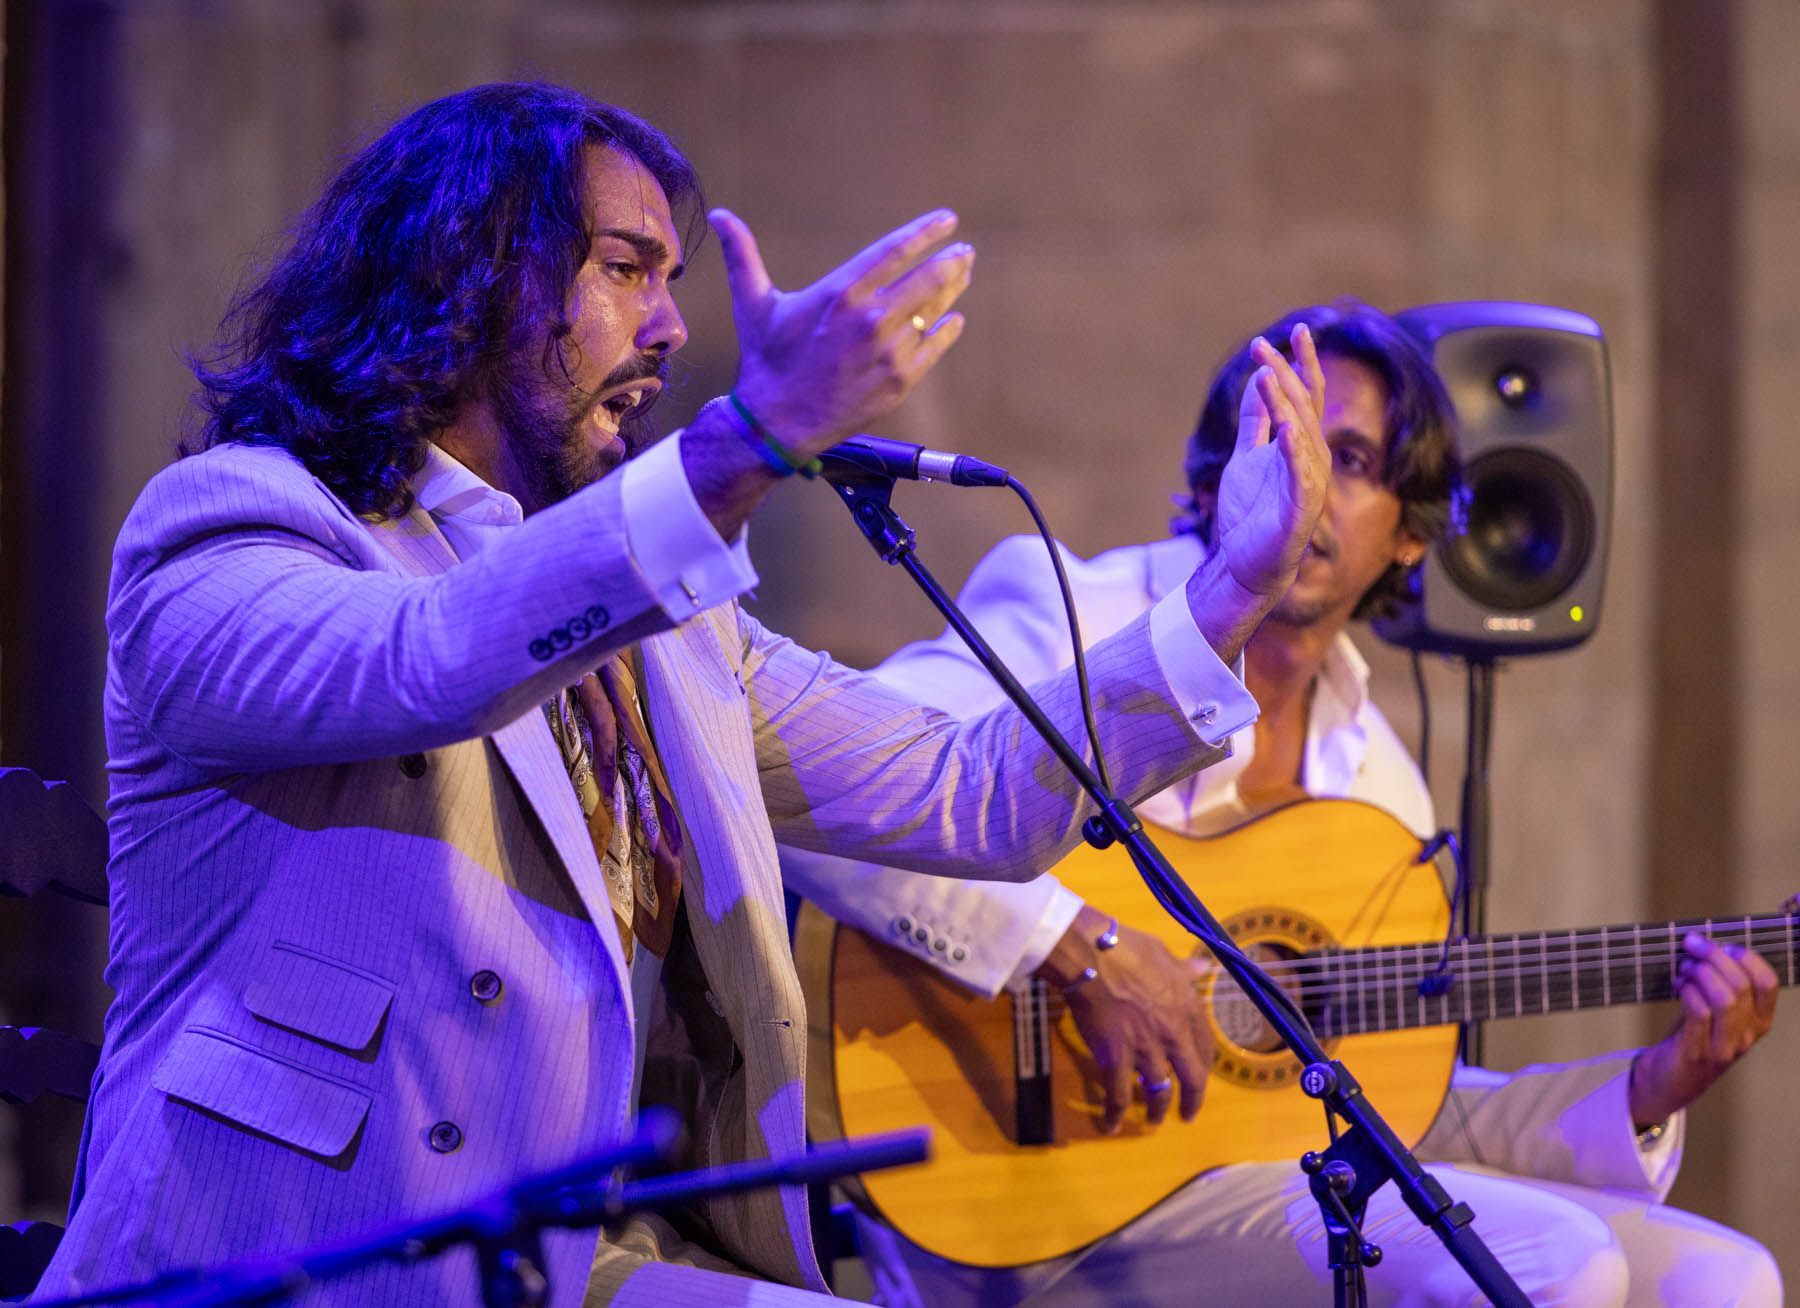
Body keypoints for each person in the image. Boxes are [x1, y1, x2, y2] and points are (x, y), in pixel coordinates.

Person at [28, 84, 1340, 1308]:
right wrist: (748, 440)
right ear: (466, 275)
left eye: (673, 282)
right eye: (624, 269)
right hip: (301, 1247)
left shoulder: (672, 623)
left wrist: (1230, 589)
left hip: (583, 1247)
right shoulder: (234, 525)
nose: (668, 329)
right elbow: (426, 659)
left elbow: (972, 792)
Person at [784, 301, 1783, 1306]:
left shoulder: (1378, 782)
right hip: (1010, 1190)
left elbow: (1389, 1098)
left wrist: (1648, 1092)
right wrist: (1070, 942)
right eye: (1277, 442)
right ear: (1224, 471)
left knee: (1724, 1277)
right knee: (1558, 1261)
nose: (1303, 485)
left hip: (1227, 1190)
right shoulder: (1071, 613)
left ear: (1410, 532)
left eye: (1346, 460)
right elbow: (817, 803)